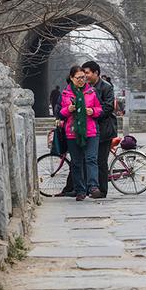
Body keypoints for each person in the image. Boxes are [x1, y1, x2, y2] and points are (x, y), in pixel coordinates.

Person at [59, 65, 103, 201]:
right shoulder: (66, 94)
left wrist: (93, 111)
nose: (81, 80)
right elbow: (60, 112)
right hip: (72, 132)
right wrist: (68, 109)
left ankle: (93, 187)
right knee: (77, 162)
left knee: (91, 159)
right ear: (71, 78)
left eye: (83, 77)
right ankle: (80, 190)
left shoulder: (91, 92)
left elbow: (100, 109)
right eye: (78, 78)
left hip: (90, 131)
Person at [82, 61, 118, 198]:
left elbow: (109, 107)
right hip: (90, 128)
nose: (85, 76)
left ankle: (102, 190)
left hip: (104, 129)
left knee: (101, 160)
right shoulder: (85, 87)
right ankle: (89, 187)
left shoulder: (106, 87)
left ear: (96, 73)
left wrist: (94, 111)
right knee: (90, 159)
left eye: (87, 73)